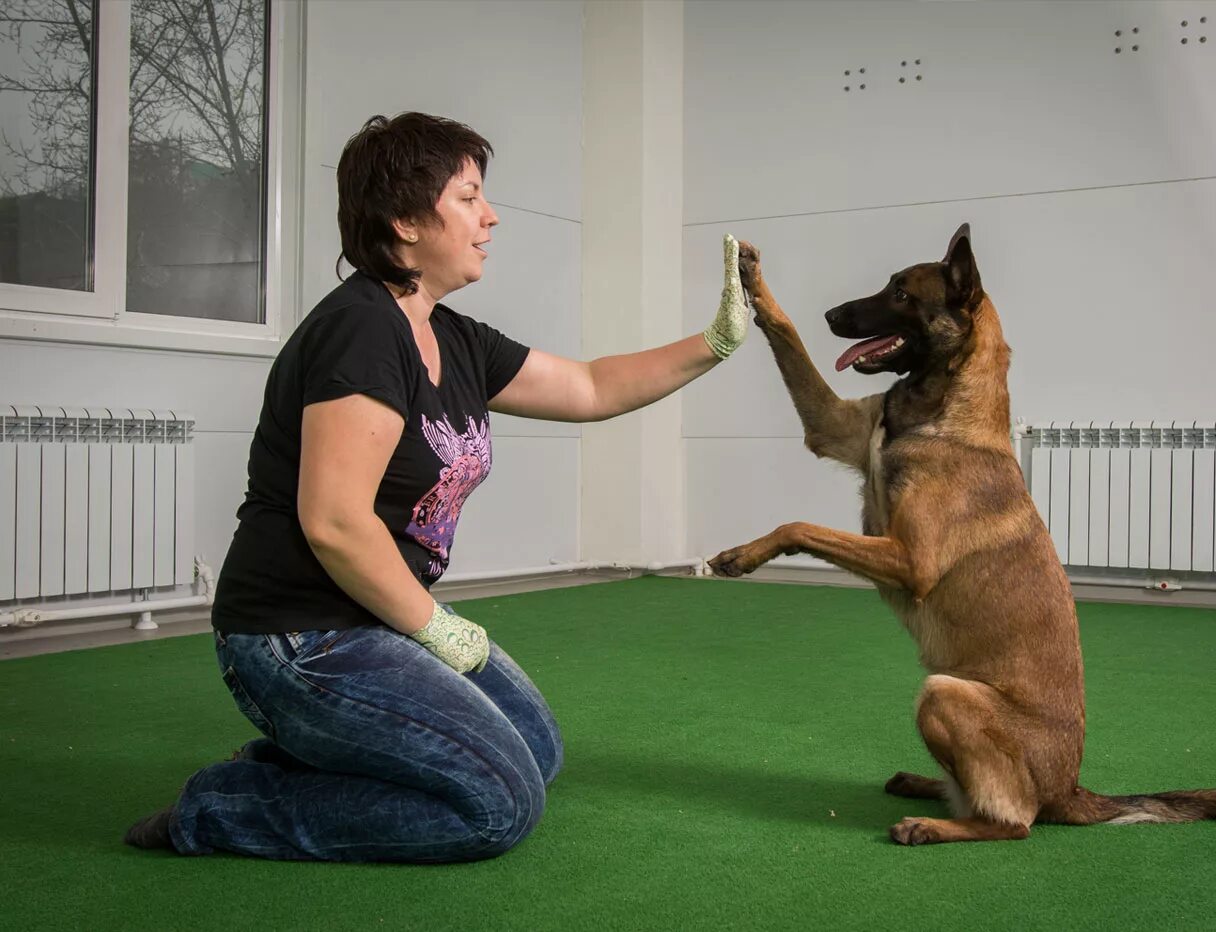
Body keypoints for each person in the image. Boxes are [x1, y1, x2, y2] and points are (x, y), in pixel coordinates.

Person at [122, 112, 749, 862]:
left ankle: (305, 756)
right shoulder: (362, 330)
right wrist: (434, 626)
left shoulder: (452, 335)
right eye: (467, 197)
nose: (489, 217)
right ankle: (223, 808)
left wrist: (715, 342)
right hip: (298, 634)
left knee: (536, 754)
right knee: (497, 805)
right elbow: (334, 522)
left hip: (376, 615)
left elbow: (588, 385)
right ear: (404, 221)